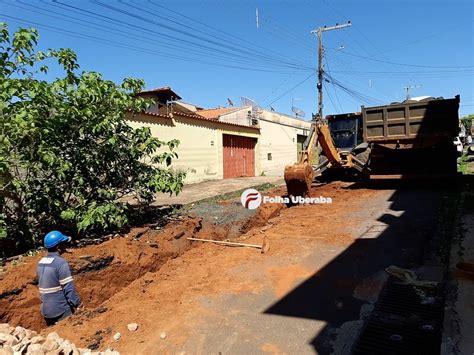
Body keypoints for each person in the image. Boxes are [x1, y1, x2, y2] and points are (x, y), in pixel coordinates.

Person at [37, 230, 81, 326]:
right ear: (58, 247)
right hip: (60, 309)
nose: (65, 246)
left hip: (46, 310)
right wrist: (78, 305)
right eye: (64, 244)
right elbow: (68, 288)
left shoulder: (41, 262)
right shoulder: (61, 263)